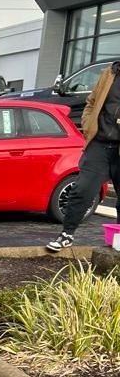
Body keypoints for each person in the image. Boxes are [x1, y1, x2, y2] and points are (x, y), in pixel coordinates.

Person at [46, 60, 120, 252]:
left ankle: (118, 238)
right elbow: (92, 102)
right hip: (100, 143)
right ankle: (67, 234)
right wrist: (88, 126)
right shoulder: (110, 73)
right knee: (82, 189)